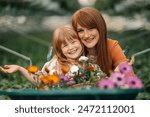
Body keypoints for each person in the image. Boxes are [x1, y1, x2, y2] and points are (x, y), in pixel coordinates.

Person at [0, 25, 85, 85]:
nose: (71, 47)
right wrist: (20, 69)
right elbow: (39, 81)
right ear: (60, 50)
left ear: (81, 42)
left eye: (73, 42)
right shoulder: (55, 65)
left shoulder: (88, 61)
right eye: (65, 45)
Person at [72, 7, 132, 75]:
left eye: (90, 28)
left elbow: (129, 76)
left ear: (100, 27)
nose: (86, 35)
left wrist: (117, 73)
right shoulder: (72, 49)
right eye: (80, 30)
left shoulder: (111, 46)